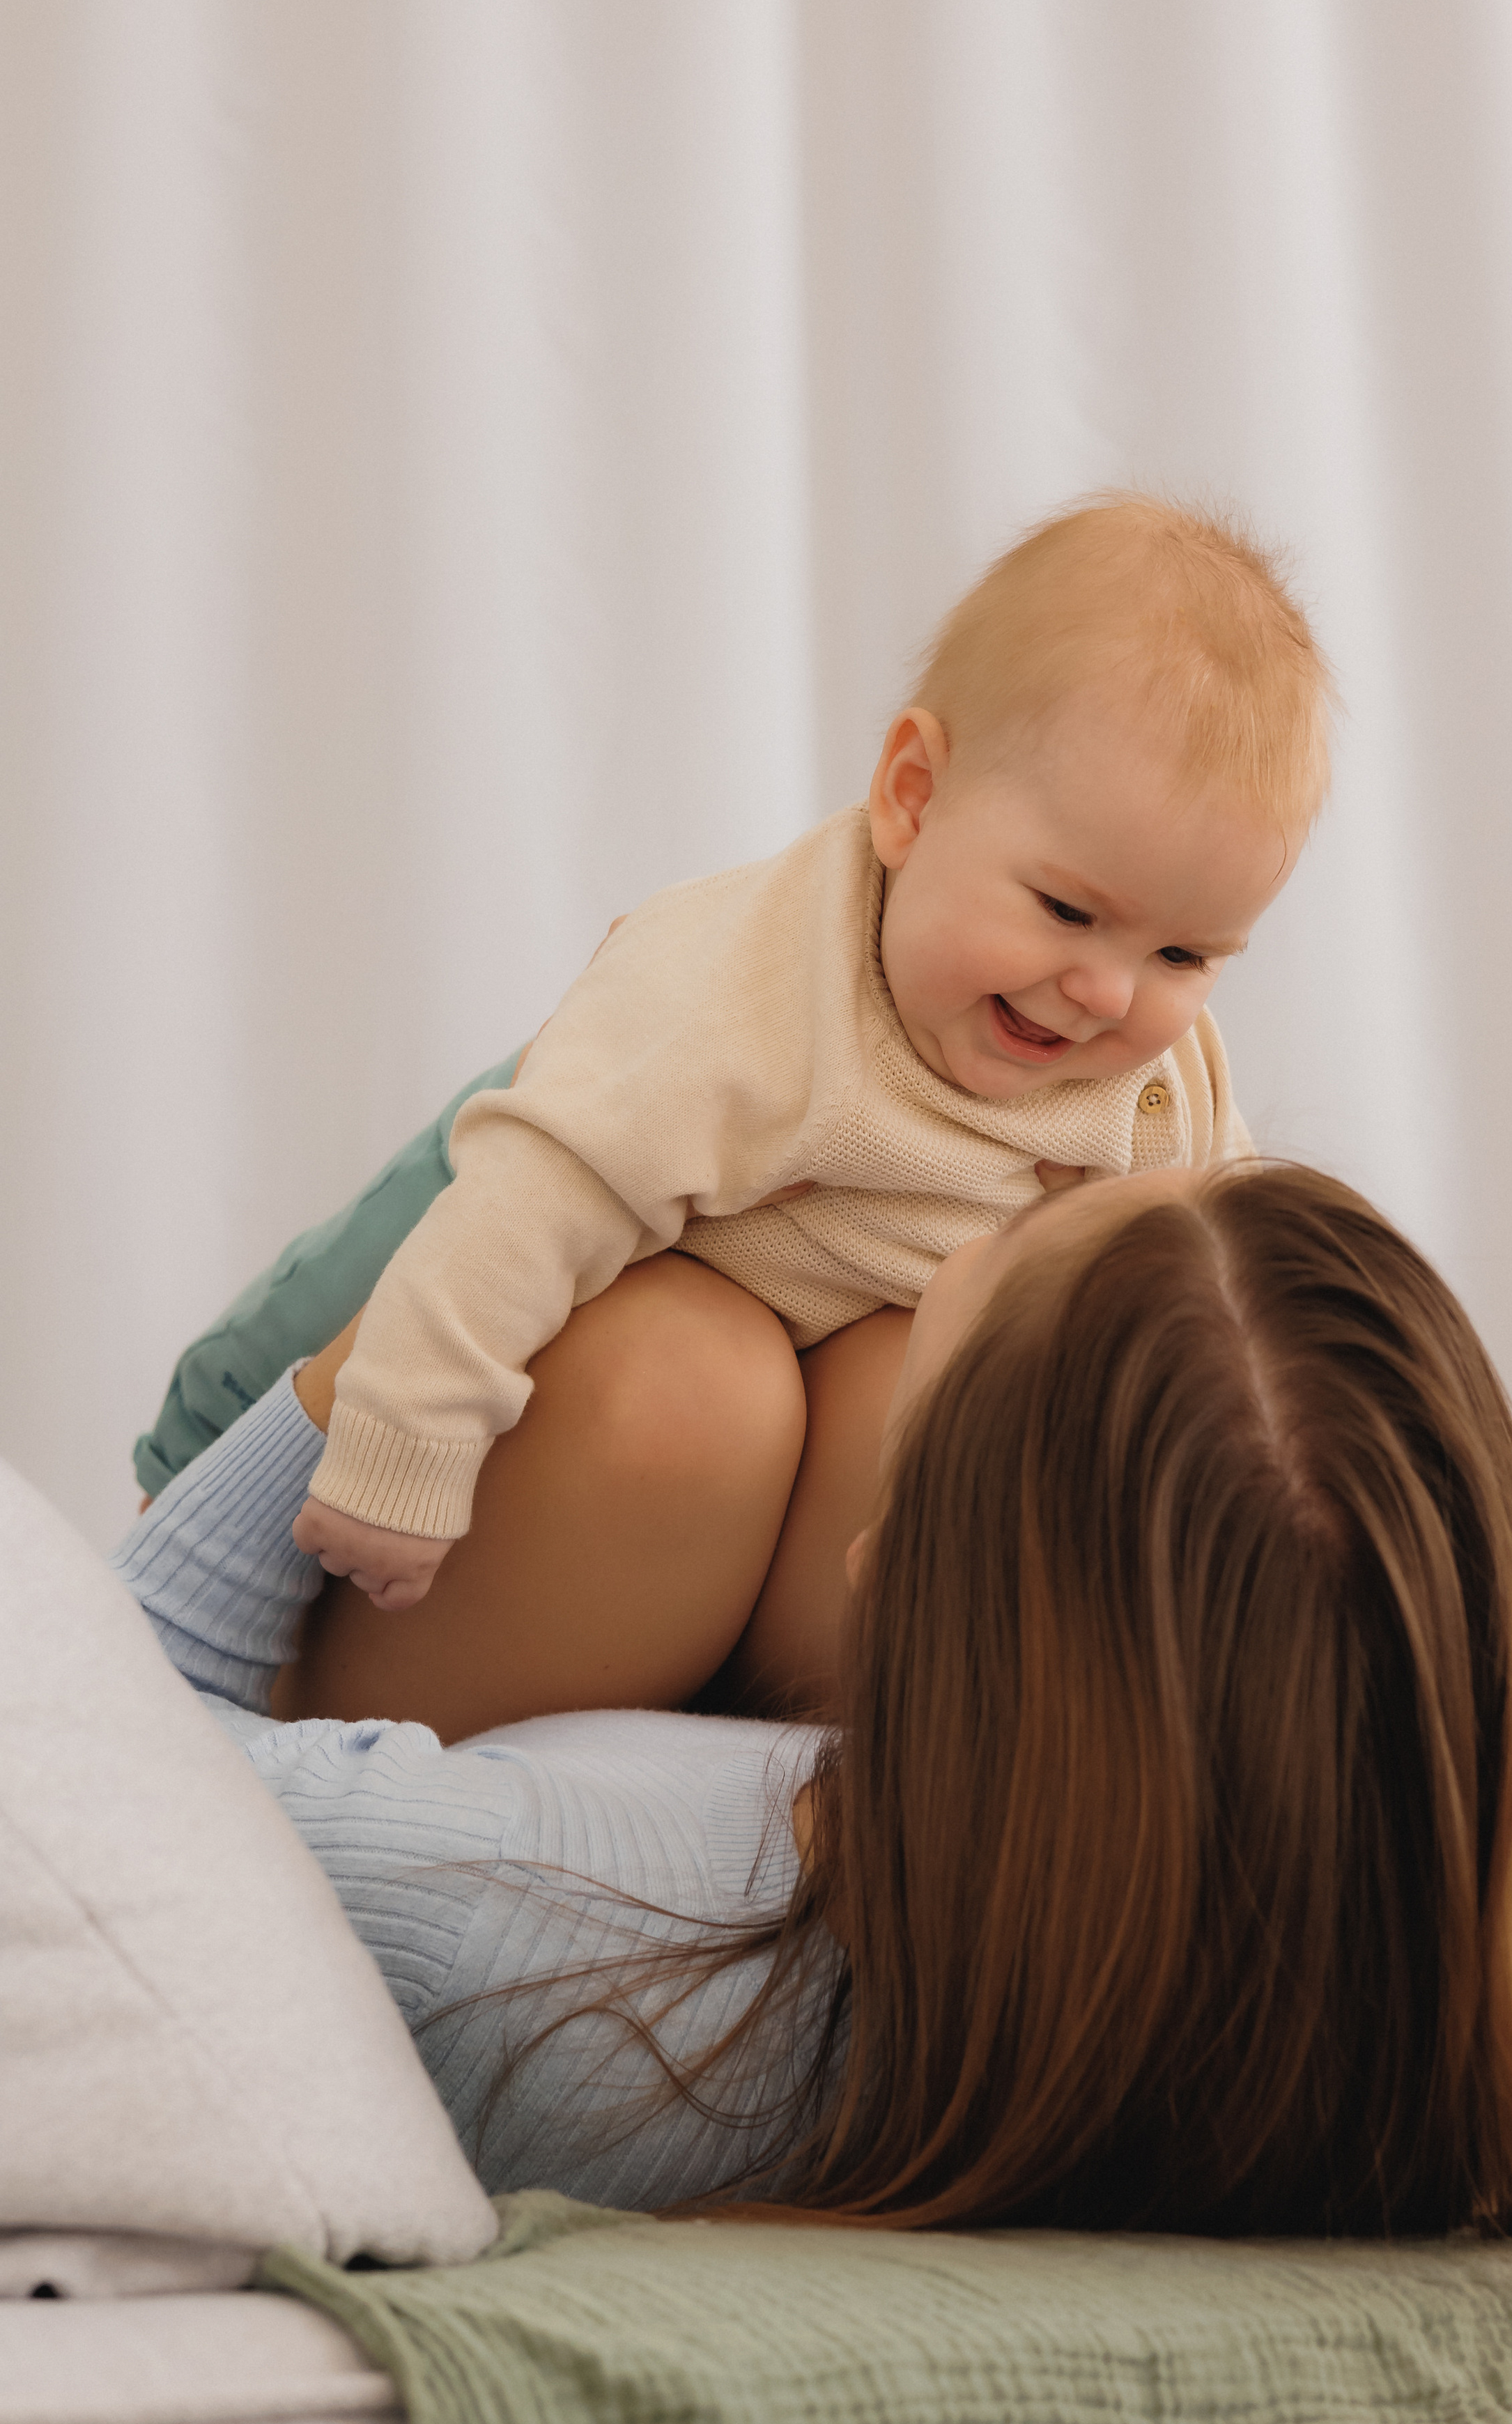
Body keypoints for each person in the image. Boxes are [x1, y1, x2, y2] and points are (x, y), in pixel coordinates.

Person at [113, 1155, 1512, 2388]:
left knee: (675, 1379)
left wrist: (360, 1368)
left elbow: (92, 1755)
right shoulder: (1349, 1992)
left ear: (892, 1566)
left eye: (946, 1297)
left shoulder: (513, 1925)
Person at [139, 498, 1332, 1698]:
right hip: (489, 1390)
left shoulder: (1154, 1093)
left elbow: (1207, 1310)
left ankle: (749, 1788)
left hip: (755, 1529)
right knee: (684, 1379)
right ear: (913, 797)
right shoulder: (740, 988)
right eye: (1067, 912)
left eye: (1184, 959)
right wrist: (401, 1449)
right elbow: (519, 1212)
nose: (1103, 992)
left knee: (939, 1395)